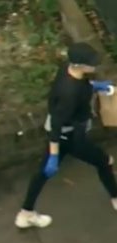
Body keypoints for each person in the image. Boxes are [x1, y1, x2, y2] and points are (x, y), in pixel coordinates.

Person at [15, 42, 117, 229]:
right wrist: (54, 156)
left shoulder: (68, 71)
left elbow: (81, 85)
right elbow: (56, 125)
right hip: (68, 137)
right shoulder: (69, 94)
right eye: (91, 62)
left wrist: (95, 86)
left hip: (67, 135)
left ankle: (25, 213)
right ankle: (115, 197)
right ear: (79, 65)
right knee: (105, 161)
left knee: (42, 173)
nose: (94, 65)